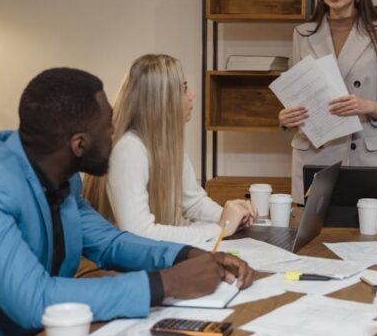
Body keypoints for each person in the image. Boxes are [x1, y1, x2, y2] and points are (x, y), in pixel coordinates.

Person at [0, 68, 255, 336]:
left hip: (51, 335)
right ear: (78, 144)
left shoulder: (61, 176)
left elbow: (109, 243)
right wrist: (166, 283)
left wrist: (185, 255)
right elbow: (35, 300)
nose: (116, 136)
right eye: (109, 128)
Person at [83, 54, 256, 248]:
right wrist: (220, 228)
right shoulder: (129, 150)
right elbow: (139, 233)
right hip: (124, 263)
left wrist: (232, 215)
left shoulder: (165, 144)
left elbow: (193, 202)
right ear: (162, 99)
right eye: (183, 89)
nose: (192, 94)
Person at [278, 0, 377, 203]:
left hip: (363, 156)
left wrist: (366, 105)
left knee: (365, 239)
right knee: (310, 239)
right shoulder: (302, 34)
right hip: (314, 156)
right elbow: (297, 96)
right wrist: (286, 117)